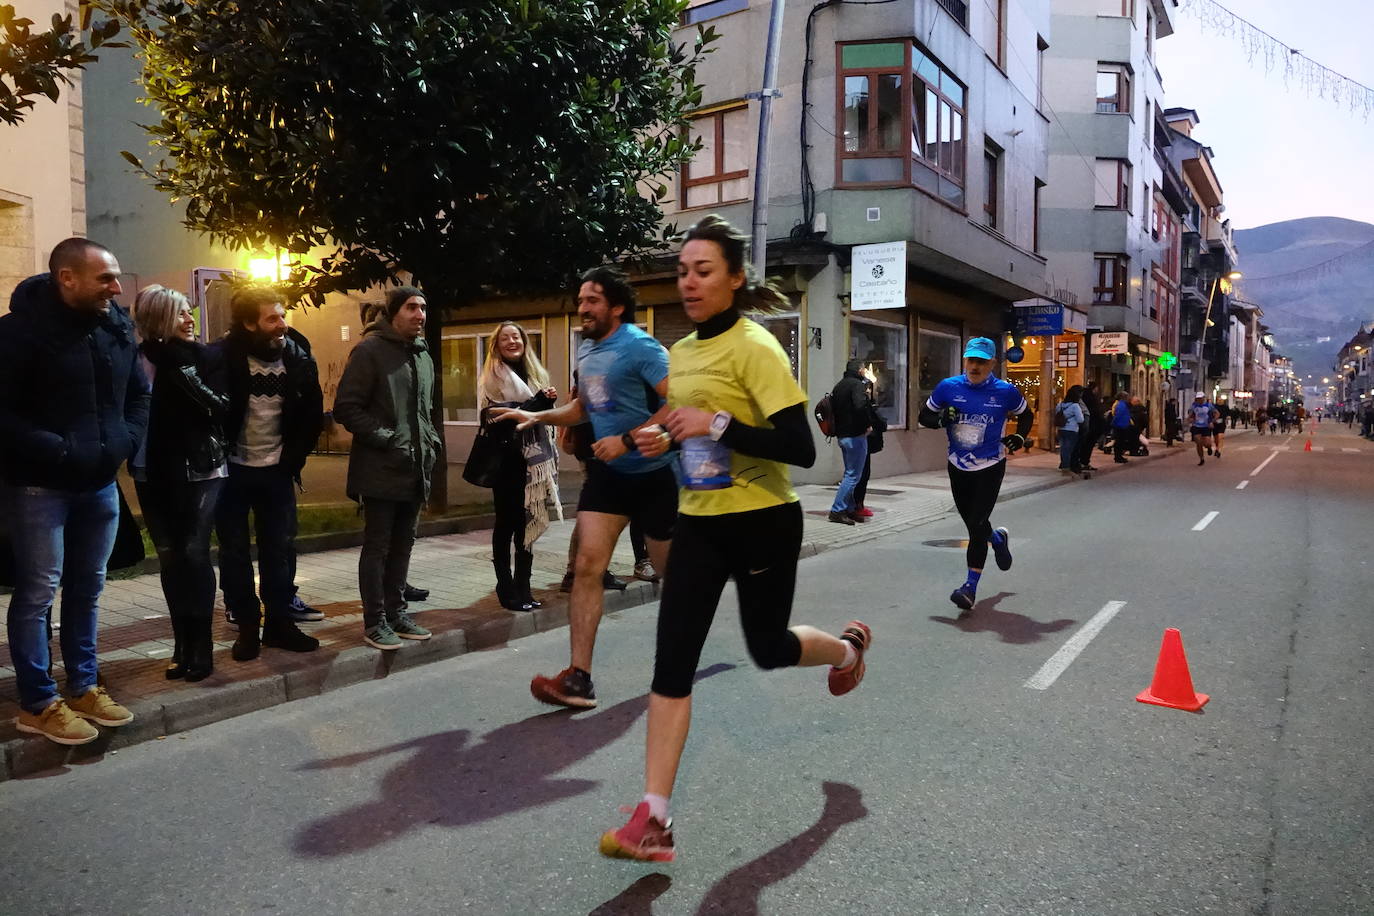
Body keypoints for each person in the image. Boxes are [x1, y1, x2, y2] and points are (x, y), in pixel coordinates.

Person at [599, 215, 871, 863]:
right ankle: (654, 818)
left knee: (769, 649)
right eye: (682, 271)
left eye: (703, 271)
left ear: (735, 278)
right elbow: (687, 427)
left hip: (762, 522)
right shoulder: (683, 353)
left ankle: (846, 651)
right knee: (672, 660)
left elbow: (801, 448)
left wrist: (714, 422)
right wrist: (662, 436)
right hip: (700, 521)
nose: (688, 283)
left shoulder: (757, 347)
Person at [490, 266, 674, 709]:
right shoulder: (588, 351)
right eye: (580, 300)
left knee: (676, 576)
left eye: (592, 300)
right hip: (608, 476)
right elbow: (583, 408)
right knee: (588, 567)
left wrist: (629, 439)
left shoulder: (641, 346)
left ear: (616, 306)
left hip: (653, 474)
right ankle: (579, 678)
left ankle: (686, 652)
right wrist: (538, 417)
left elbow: (683, 400)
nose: (583, 308)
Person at [0, 238, 149, 745]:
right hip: (40, 486)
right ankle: (38, 702)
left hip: (100, 484)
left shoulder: (114, 326)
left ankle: (84, 685)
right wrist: (60, 450)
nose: (116, 286)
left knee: (88, 588)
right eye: (104, 278)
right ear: (67, 278)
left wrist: (125, 440)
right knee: (38, 591)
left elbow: (138, 395)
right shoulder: (19, 333)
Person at [210, 286, 324, 661]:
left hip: (277, 470)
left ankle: (279, 623)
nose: (282, 325)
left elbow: (311, 418)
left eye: (282, 315)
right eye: (271, 318)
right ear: (248, 323)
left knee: (280, 549)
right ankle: (246, 627)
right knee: (235, 552)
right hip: (233, 472)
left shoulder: (298, 358)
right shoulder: (222, 359)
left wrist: (292, 460)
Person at [332, 286, 442, 650]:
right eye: (412, 307)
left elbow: (424, 411)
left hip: (415, 467)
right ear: (393, 312)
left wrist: (429, 444)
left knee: (404, 545)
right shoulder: (369, 351)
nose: (420, 315)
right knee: (378, 546)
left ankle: (397, 612)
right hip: (381, 468)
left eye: (423, 308)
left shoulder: (422, 355)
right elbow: (347, 408)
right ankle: (374, 620)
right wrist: (388, 438)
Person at [129, 285, 228, 682]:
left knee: (194, 552)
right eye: (181, 313)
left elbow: (222, 407)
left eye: (190, 313)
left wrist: (185, 377)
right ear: (157, 318)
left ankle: (201, 646)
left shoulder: (204, 357)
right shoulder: (134, 361)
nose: (190, 320)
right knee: (169, 556)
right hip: (148, 468)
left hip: (199, 466)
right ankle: (180, 644)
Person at [917, 337, 1033, 614]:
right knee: (974, 523)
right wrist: (943, 419)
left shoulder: (1005, 392)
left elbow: (1026, 416)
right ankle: (997, 539)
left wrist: (1019, 435)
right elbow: (924, 417)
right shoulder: (948, 387)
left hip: (990, 464)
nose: (975, 366)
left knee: (976, 524)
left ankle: (969, 588)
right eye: (971, 360)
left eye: (981, 361)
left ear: (992, 363)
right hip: (958, 465)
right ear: (964, 361)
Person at [478, 321, 561, 613]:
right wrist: (539, 403)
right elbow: (502, 416)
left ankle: (524, 586)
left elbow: (538, 415)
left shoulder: (536, 374)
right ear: (497, 346)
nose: (512, 341)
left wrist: (546, 402)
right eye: (505, 338)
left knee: (528, 523)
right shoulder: (493, 377)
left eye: (516, 336)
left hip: (533, 462)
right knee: (506, 525)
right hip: (506, 461)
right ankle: (505, 586)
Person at [826, 359, 872, 525]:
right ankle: (837, 510)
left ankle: (850, 509)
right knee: (853, 476)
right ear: (860, 370)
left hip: (842, 435)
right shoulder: (857, 385)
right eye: (864, 369)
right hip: (855, 435)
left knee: (850, 473)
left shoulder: (839, 386)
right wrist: (867, 424)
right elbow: (860, 407)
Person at [852, 368, 885, 520]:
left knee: (855, 473)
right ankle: (855, 506)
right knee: (860, 474)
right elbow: (865, 412)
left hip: (849, 436)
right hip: (859, 437)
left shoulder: (843, 387)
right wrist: (869, 425)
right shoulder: (857, 390)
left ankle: (851, 505)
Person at [1055, 385, 1086, 473]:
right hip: (1071, 430)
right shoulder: (1075, 406)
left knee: (1063, 448)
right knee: (1068, 449)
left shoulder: (1060, 405)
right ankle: (1066, 466)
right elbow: (1081, 419)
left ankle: (1063, 464)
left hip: (1061, 429)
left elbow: (1057, 415)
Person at [1075, 380, 1104, 473]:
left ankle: (1081, 462)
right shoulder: (1091, 399)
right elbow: (1095, 412)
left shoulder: (1083, 398)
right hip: (1090, 426)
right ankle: (1083, 462)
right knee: (1087, 445)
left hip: (1087, 425)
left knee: (1083, 445)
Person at [1186, 392, 1218, 467]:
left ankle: (1209, 447)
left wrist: (1212, 421)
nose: (1199, 400)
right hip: (1196, 426)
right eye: (1198, 399)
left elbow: (1217, 413)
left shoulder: (1209, 406)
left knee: (1207, 443)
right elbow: (1190, 414)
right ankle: (1201, 458)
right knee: (1198, 441)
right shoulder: (1193, 406)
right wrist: (1189, 420)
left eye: (1201, 398)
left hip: (1206, 426)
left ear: (1204, 398)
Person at [1109, 391, 1134, 463]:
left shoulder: (1123, 404)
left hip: (1122, 425)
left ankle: (1119, 456)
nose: (1128, 398)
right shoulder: (1121, 405)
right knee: (1119, 442)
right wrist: (1113, 423)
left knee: (1120, 442)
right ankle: (1118, 457)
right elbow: (1118, 415)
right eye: (1127, 397)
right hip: (1120, 426)